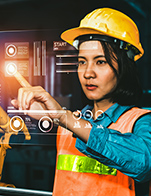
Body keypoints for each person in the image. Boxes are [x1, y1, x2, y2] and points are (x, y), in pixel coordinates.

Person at [11, 8, 151, 196]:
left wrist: (63, 117)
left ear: (125, 66)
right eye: (82, 62)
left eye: (100, 62)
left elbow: (143, 164)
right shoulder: (67, 124)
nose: (87, 73)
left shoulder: (141, 121)